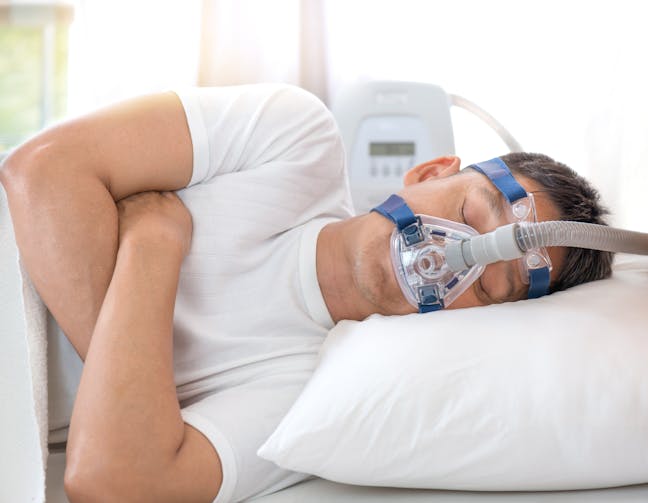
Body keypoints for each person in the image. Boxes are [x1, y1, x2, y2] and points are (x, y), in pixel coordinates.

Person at [0, 84, 611, 503]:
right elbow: (42, 168)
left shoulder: (308, 403)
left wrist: (151, 248)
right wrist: (134, 398)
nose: (451, 253)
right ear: (430, 173)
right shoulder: (293, 139)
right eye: (468, 213)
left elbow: (115, 483)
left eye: (490, 281)